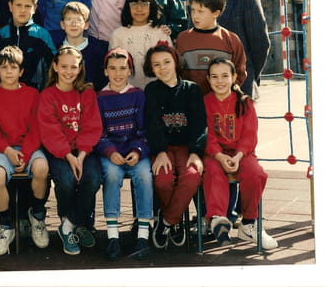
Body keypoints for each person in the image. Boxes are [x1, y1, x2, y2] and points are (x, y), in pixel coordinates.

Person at [202, 58, 278, 249]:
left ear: (234, 77)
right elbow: (207, 135)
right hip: (214, 154)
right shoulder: (205, 102)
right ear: (208, 79)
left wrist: (238, 156)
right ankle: (217, 219)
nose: (220, 81)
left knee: (256, 174)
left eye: (225, 76)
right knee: (213, 173)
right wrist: (219, 155)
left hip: (242, 154)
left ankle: (249, 223)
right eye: (214, 77)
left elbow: (249, 135)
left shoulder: (245, 102)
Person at [0, 46, 50, 256]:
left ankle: (37, 216)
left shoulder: (32, 94)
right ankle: (6, 227)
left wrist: (26, 154)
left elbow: (36, 129)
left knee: (42, 168)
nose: (9, 72)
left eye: (13, 67)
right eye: (4, 68)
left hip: (29, 148)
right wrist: (7, 151)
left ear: (21, 71)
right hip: (3, 149)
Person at [37, 46, 102, 256]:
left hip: (84, 151)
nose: (68, 71)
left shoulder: (87, 93)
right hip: (59, 151)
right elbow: (50, 130)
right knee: (66, 181)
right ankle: (71, 221)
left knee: (92, 179)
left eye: (73, 67)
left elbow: (91, 126)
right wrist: (68, 156)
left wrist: (81, 155)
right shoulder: (48, 95)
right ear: (55, 67)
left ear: (80, 68)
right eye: (64, 66)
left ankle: (70, 225)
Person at [143, 43, 206, 251]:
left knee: (192, 177)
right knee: (163, 180)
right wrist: (160, 151)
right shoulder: (151, 90)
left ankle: (167, 221)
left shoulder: (191, 89)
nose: (163, 68)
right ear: (151, 68)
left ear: (176, 62)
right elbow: (152, 123)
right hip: (164, 148)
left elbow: (199, 124)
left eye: (167, 62)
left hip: (186, 148)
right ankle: (175, 219)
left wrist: (196, 152)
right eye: (156, 64)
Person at [95, 48, 152, 261]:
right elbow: (98, 133)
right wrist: (110, 152)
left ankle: (143, 235)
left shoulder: (137, 95)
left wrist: (137, 151)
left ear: (130, 71)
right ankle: (113, 236)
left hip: (135, 152)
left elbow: (144, 130)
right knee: (111, 176)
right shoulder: (100, 98)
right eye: (112, 68)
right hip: (111, 153)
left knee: (144, 176)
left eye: (122, 68)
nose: (117, 73)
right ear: (105, 71)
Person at [200, 0, 270, 99]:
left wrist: (250, 75)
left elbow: (260, 45)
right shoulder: (195, 3)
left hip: (241, 87)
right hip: (205, 90)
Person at [175, 0, 247, 95]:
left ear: (216, 13)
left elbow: (239, 72)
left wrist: (224, 95)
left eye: (200, 11)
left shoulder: (231, 40)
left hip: (222, 101)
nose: (195, 16)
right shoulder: (183, 39)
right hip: (190, 100)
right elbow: (178, 72)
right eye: (193, 10)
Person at [108, 0, 172, 91]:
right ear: (127, 7)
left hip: (158, 91)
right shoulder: (118, 35)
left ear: (151, 6)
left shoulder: (161, 32)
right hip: (127, 92)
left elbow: (170, 66)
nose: (139, 9)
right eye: (134, 4)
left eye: (144, 4)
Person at [0, 0, 56, 91]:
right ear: (10, 6)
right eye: (18, 5)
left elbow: (52, 66)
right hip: (5, 92)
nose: (23, 10)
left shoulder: (42, 35)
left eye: (28, 6)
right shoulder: (1, 34)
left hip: (35, 93)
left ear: (35, 8)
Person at [59, 1, 107, 90]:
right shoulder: (56, 49)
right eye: (69, 19)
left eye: (79, 20)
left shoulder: (97, 49)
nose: (74, 24)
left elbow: (102, 79)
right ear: (62, 24)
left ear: (86, 25)